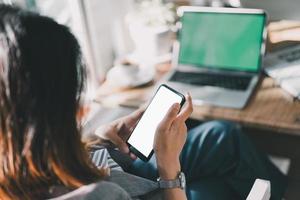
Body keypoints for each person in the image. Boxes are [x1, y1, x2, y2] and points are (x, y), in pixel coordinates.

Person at [0, 4, 287, 200]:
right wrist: (168, 167)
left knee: (224, 135)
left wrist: (102, 142)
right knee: (218, 185)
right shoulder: (100, 197)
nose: (81, 108)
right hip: (141, 185)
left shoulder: (17, 158)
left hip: (111, 171)